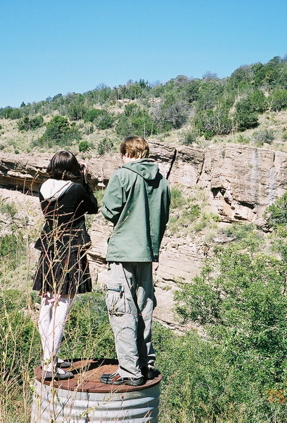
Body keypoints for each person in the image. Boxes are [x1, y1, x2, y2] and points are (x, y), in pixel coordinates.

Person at [99, 136, 171, 386]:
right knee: (144, 310)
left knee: (122, 310)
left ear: (127, 153)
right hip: (147, 253)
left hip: (123, 253)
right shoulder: (162, 180)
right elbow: (164, 215)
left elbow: (109, 211)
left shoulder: (122, 175)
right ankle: (146, 364)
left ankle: (130, 371)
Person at [33, 150, 98, 381]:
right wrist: (83, 179)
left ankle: (48, 358)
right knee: (62, 307)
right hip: (70, 249)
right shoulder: (77, 188)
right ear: (72, 168)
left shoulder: (42, 188)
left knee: (46, 304)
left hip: (49, 249)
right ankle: (51, 365)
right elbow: (92, 207)